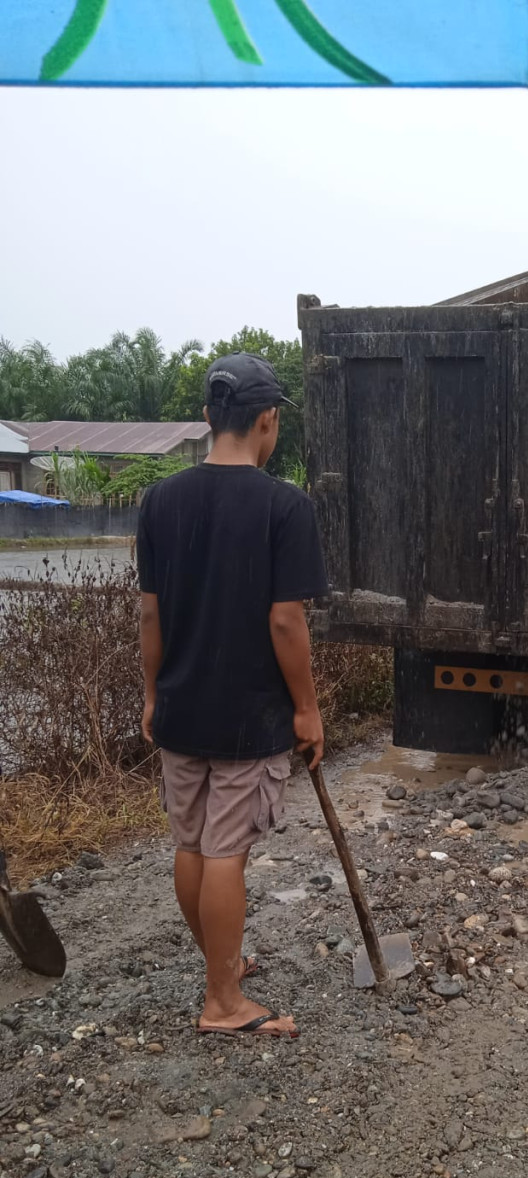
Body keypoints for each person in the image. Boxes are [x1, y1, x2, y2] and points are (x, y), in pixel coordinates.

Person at [137, 353, 328, 1038]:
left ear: (209, 418)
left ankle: (223, 964)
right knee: (225, 855)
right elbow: (285, 620)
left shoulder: (160, 500)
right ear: (267, 422)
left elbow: (151, 616)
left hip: (182, 710)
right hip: (248, 717)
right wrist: (306, 708)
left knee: (191, 846)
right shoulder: (285, 506)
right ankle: (223, 1002)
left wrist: (154, 696)